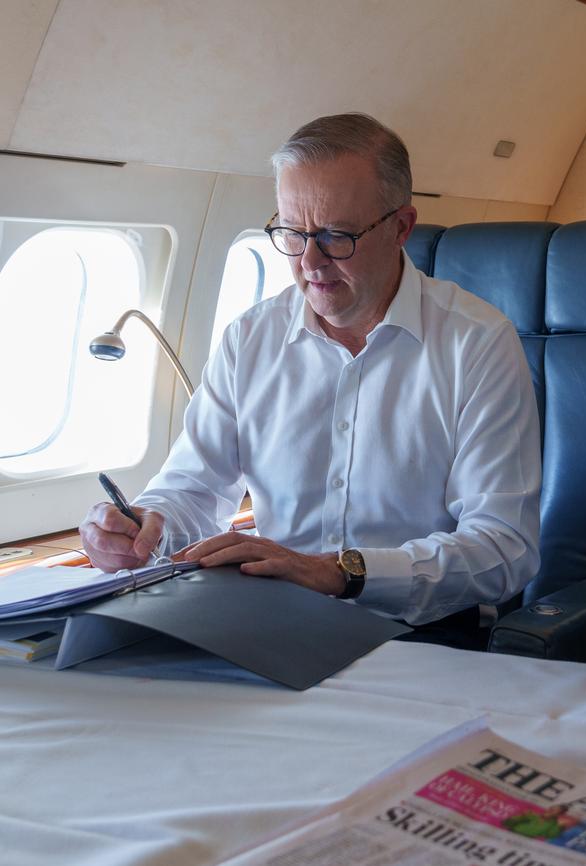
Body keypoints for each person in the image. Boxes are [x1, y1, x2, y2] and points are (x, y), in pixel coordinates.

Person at [80, 112, 541, 648]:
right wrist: (145, 525)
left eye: (335, 236)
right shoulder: (249, 338)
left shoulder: (477, 343)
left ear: (401, 227)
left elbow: (503, 548)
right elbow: (194, 488)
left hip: (416, 635)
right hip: (267, 623)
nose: (310, 262)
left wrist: (340, 573)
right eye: (292, 234)